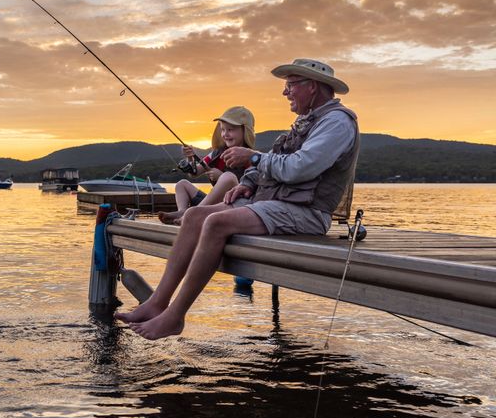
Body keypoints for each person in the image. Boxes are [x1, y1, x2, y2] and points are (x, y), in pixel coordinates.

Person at [116, 58, 360, 340]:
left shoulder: (337, 123)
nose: (285, 92)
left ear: (313, 87)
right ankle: (158, 302)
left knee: (217, 222)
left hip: (307, 212)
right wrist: (247, 183)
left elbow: (299, 167)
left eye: (290, 85)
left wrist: (254, 157)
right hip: (277, 204)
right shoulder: (309, 121)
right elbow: (278, 165)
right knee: (194, 216)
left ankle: (175, 316)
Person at [159, 106, 256, 225]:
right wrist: (190, 157)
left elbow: (250, 189)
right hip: (210, 203)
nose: (225, 134)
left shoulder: (250, 157)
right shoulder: (217, 153)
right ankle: (183, 213)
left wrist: (221, 176)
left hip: (233, 204)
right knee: (181, 184)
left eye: (230, 130)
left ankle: (191, 214)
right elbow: (194, 173)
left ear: (245, 131)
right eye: (223, 129)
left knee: (228, 177)